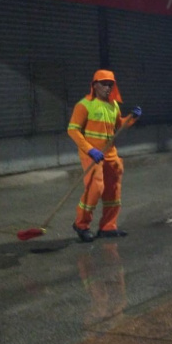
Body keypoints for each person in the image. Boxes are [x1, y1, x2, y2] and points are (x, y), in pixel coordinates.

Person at [67, 70, 141, 242]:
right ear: (95, 85)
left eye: (111, 84)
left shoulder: (113, 105)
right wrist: (90, 149)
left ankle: (108, 226)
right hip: (91, 154)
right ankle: (81, 224)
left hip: (110, 153)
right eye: (104, 84)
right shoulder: (84, 105)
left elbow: (120, 125)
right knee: (96, 188)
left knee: (113, 190)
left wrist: (132, 117)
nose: (108, 87)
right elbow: (73, 129)